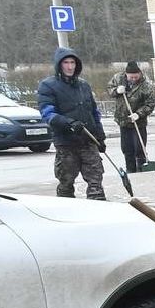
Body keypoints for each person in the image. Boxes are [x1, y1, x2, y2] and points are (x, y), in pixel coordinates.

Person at [36, 47, 105, 200]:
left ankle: (100, 211)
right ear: (59, 65)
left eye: (72, 62)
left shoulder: (84, 85)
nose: (70, 66)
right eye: (66, 62)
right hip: (66, 143)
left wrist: (100, 136)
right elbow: (48, 114)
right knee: (66, 183)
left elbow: (94, 112)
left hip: (88, 141)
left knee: (96, 181)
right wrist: (69, 123)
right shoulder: (48, 86)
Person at [108, 61, 155, 174]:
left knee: (139, 148)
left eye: (136, 76)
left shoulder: (146, 85)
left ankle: (142, 168)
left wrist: (139, 114)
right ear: (126, 74)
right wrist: (116, 91)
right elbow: (109, 89)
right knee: (126, 148)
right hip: (123, 120)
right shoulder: (118, 78)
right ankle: (130, 170)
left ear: (139, 73)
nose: (133, 79)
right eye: (131, 77)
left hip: (138, 122)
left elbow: (150, 104)